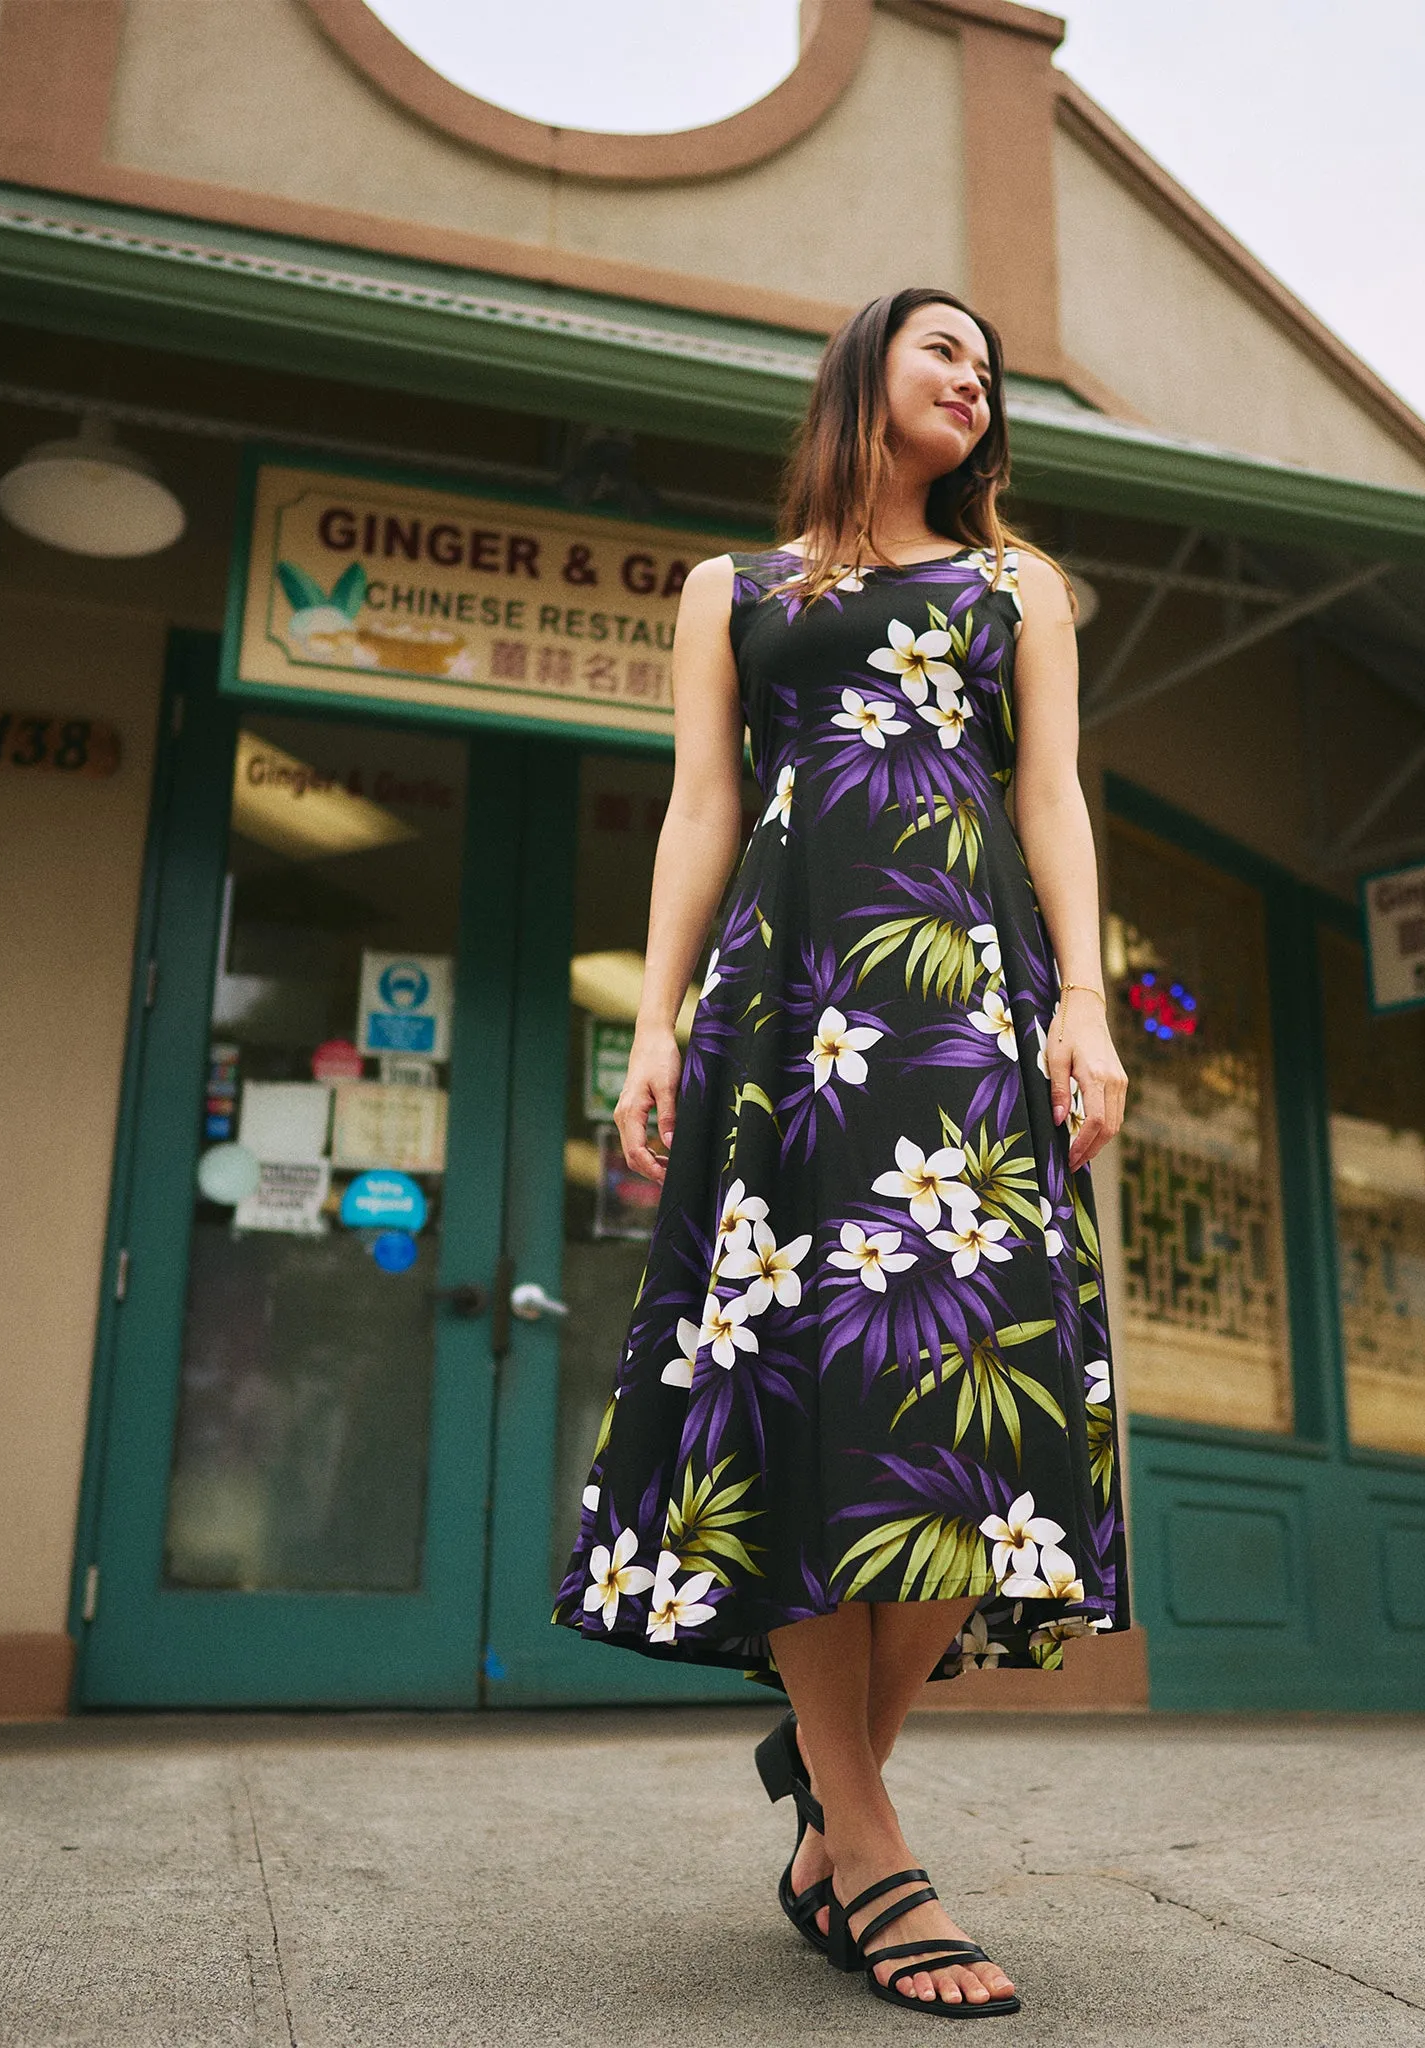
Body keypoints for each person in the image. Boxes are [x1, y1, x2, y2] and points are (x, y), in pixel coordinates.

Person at [553, 285, 1130, 2018]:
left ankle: (833, 1812)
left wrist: (1085, 1003)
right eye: (946, 346)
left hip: (963, 1003)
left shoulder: (1015, 587)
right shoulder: (729, 591)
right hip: (784, 1013)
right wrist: (654, 1023)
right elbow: (702, 807)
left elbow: (1052, 800)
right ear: (863, 369)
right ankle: (865, 1844)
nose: (975, 376)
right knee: (808, 1382)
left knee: (958, 1392)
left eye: (993, 366)